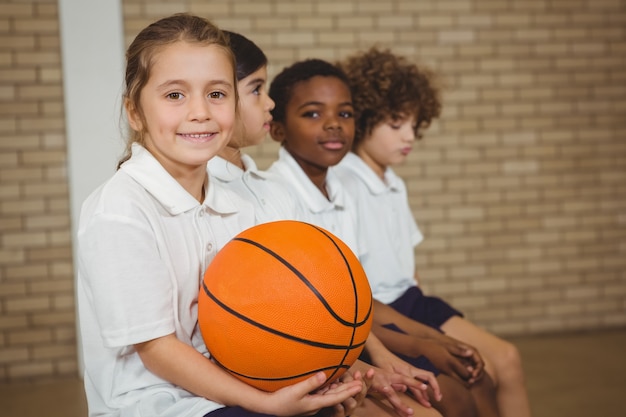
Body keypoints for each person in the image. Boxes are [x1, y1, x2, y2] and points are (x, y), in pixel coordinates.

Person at [76, 14, 370, 417]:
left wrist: (332, 375)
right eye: (175, 95)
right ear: (135, 112)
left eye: (217, 94)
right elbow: (158, 350)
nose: (200, 112)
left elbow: (277, 313)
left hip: (237, 385)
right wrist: (269, 404)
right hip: (157, 404)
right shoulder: (120, 211)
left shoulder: (241, 204)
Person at [209, 31, 442, 417]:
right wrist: (359, 368)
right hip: (271, 366)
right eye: (257, 89)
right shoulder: (210, 194)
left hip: (313, 353)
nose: (269, 104)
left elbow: (325, 300)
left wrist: (371, 364)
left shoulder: (268, 192)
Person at [266, 57, 487, 417]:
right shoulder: (276, 198)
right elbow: (316, 316)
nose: (334, 125)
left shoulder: (336, 190)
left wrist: (429, 339)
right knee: (440, 402)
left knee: (468, 386)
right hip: (317, 348)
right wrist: (405, 349)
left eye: (346, 114)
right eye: (313, 114)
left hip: (357, 332)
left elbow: (356, 298)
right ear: (277, 129)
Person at [335, 47, 532, 417]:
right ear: (364, 120)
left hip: (412, 300)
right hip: (380, 309)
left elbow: (410, 267)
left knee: (506, 357)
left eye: (414, 124)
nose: (409, 136)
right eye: (396, 124)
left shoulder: (392, 180)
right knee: (478, 375)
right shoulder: (344, 180)